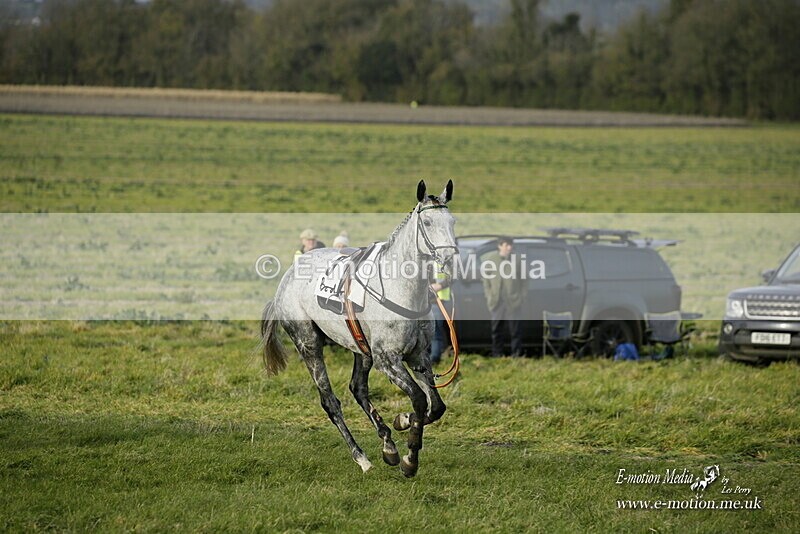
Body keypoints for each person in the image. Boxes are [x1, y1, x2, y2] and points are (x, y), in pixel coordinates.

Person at [482, 236, 526, 357]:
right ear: (500, 246)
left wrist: (521, 297)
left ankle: (516, 354)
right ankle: (497, 354)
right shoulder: (491, 259)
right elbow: (486, 280)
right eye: (506, 245)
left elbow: (524, 281)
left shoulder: (517, 260)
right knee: (496, 330)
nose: (509, 247)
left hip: (513, 300)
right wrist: (489, 295)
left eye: (510, 245)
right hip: (497, 301)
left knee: (515, 330)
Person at [429, 264, 452, 364]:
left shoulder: (444, 260)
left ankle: (435, 357)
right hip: (424, 302)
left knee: (436, 329)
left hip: (438, 301)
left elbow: (453, 276)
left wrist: (440, 286)